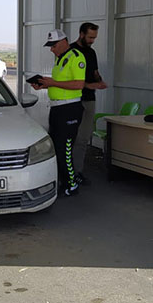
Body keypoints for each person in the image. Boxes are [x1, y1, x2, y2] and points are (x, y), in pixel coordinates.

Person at [31, 29, 87, 197]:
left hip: (69, 109)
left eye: (53, 45)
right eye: (50, 46)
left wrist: (53, 82)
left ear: (64, 42)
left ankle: (72, 184)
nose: (51, 49)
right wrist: (45, 85)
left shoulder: (76, 57)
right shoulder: (59, 58)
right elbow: (61, 83)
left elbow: (79, 84)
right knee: (56, 147)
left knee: (65, 148)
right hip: (56, 108)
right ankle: (64, 180)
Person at [70, 22, 107, 185]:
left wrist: (100, 80)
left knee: (83, 138)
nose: (92, 40)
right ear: (81, 34)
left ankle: (77, 171)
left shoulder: (91, 53)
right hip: (72, 100)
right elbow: (67, 79)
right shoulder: (70, 52)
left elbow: (95, 72)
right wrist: (88, 85)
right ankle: (66, 172)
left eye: (95, 38)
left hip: (89, 100)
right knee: (70, 137)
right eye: (90, 37)